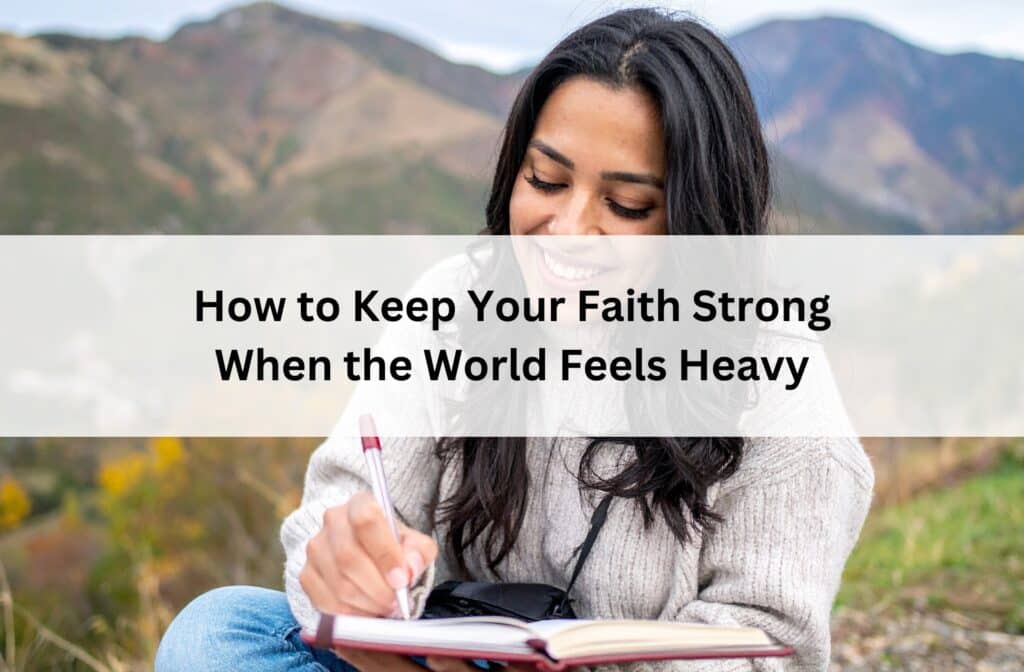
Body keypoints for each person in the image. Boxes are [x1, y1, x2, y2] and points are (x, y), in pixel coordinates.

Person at [155, 7, 873, 672]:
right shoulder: (455, 302)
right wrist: (346, 568)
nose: (565, 231)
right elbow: (338, 518)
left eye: (625, 205)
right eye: (546, 180)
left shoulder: (774, 383)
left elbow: (768, 646)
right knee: (219, 630)